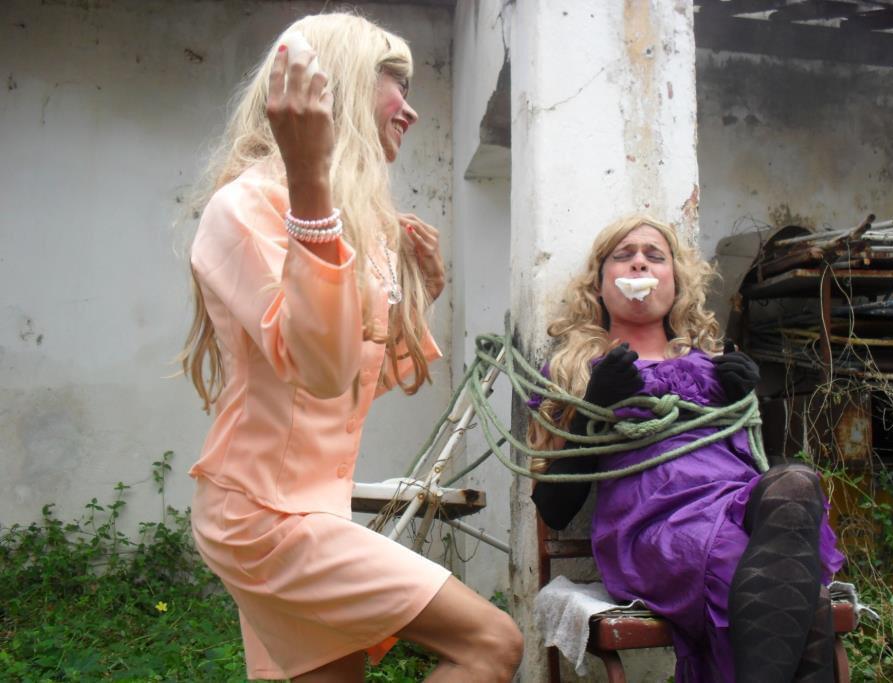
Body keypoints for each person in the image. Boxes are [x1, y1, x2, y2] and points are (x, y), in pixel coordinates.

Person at [180, 13, 522, 682]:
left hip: (310, 509)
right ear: (337, 84)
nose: (411, 110)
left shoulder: (352, 223)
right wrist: (311, 180)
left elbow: (346, 386)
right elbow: (322, 371)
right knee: (492, 642)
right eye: (395, 82)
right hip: (263, 515)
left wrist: (417, 298)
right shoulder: (247, 206)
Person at [529, 215, 844, 683]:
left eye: (655, 256)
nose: (640, 263)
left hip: (734, 510)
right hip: (658, 527)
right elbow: (553, 508)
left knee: (797, 482)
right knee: (797, 592)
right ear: (599, 284)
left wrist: (743, 399)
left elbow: (752, 466)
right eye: (624, 256)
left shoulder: (714, 366)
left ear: (675, 282)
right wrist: (593, 407)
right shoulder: (573, 371)